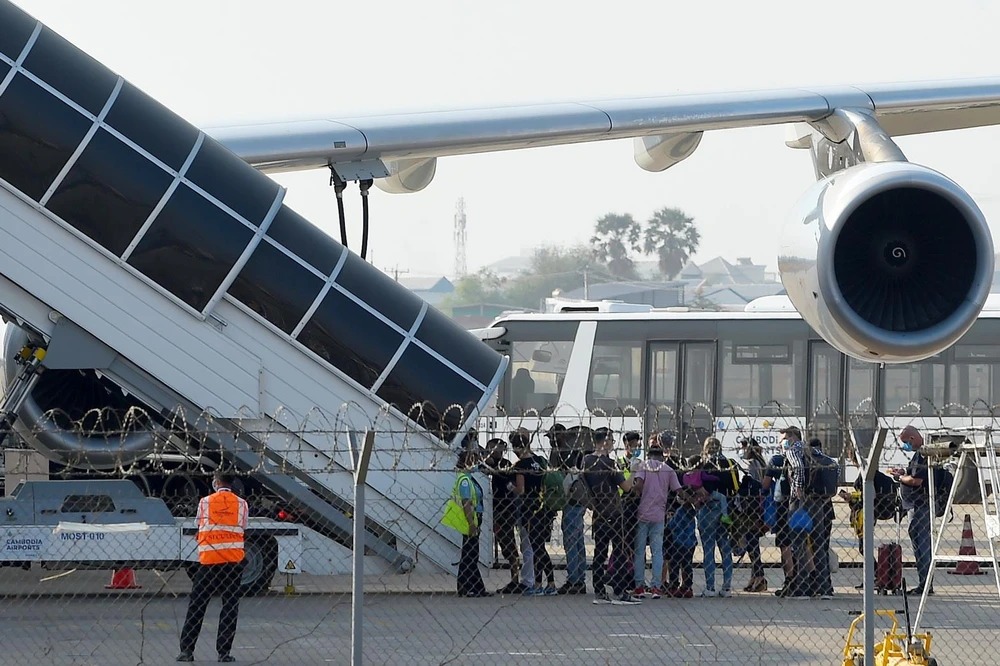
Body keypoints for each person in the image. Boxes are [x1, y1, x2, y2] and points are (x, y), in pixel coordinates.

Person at [178, 471, 249, 663]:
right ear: (232, 484)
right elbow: (241, 527)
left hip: (209, 561)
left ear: (216, 482)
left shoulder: (205, 502)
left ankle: (187, 650)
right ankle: (223, 652)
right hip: (232, 562)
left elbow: (199, 526)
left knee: (197, 605)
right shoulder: (242, 504)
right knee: (230, 606)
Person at [583, 427, 640, 605]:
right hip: (614, 512)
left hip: (599, 512)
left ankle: (599, 591)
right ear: (606, 442)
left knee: (600, 552)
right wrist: (634, 470)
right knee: (620, 551)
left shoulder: (586, 460)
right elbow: (626, 487)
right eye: (612, 441)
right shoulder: (608, 463)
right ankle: (620, 589)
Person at [633, 439, 683, 598]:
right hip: (659, 515)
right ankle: (656, 586)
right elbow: (678, 490)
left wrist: (633, 494)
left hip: (642, 514)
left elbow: (639, 485)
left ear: (648, 456)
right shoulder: (668, 469)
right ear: (662, 457)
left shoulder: (644, 466)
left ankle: (639, 586)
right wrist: (693, 500)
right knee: (657, 552)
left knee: (640, 551)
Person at [890, 425, 935, 596]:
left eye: (905, 442)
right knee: (919, 542)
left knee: (922, 544)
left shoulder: (923, 454)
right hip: (916, 505)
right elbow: (914, 474)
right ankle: (924, 582)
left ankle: (925, 584)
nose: (905, 446)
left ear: (912, 438)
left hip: (919, 505)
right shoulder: (920, 455)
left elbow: (917, 481)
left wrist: (900, 477)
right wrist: (904, 472)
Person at [512, 430, 556, 595]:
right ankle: (544, 583)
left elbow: (521, 490)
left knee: (536, 548)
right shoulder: (540, 461)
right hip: (543, 507)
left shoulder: (520, 466)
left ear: (517, 447)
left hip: (528, 509)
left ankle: (544, 584)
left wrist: (511, 487)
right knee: (539, 547)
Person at [547, 423, 587, 595]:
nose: (551, 441)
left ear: (561, 436)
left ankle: (574, 580)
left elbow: (557, 475)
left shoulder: (564, 452)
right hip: (578, 499)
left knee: (571, 541)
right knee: (577, 541)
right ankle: (580, 579)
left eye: (552, 437)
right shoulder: (575, 451)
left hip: (571, 499)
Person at [481, 438, 523, 594]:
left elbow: (508, 482)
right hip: (494, 509)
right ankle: (514, 577)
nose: (494, 452)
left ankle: (515, 579)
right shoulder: (487, 463)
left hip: (504, 510)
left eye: (497, 449)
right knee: (504, 542)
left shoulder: (505, 465)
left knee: (507, 544)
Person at [697, 438, 736, 598]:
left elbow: (701, 489)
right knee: (726, 549)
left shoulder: (704, 465)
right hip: (725, 509)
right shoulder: (729, 463)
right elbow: (735, 486)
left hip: (708, 508)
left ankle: (710, 587)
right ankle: (726, 587)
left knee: (708, 550)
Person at [776, 425, 812, 599]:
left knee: (797, 542)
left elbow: (797, 468)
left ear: (791, 438)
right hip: (812, 501)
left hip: (796, 501)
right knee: (806, 541)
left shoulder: (792, 450)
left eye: (782, 439)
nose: (780, 443)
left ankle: (802, 586)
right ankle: (813, 582)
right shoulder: (808, 449)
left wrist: (798, 489)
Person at [452, 448, 491, 597]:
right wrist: (471, 523)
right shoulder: (465, 481)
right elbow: (466, 503)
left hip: (474, 517)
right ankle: (466, 586)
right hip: (471, 518)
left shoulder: (468, 478)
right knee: (470, 553)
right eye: (474, 461)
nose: (476, 464)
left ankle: (475, 587)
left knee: (471, 553)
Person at [805, 438, 835, 599]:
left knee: (805, 548)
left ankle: (810, 583)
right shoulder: (830, 462)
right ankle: (826, 586)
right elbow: (832, 490)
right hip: (826, 510)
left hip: (808, 509)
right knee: (822, 548)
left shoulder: (807, 463)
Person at [738, 437, 769, 593]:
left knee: (751, 543)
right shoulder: (761, 463)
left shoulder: (752, 465)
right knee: (752, 542)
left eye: (743, 448)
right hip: (757, 508)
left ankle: (759, 576)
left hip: (751, 509)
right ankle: (755, 575)